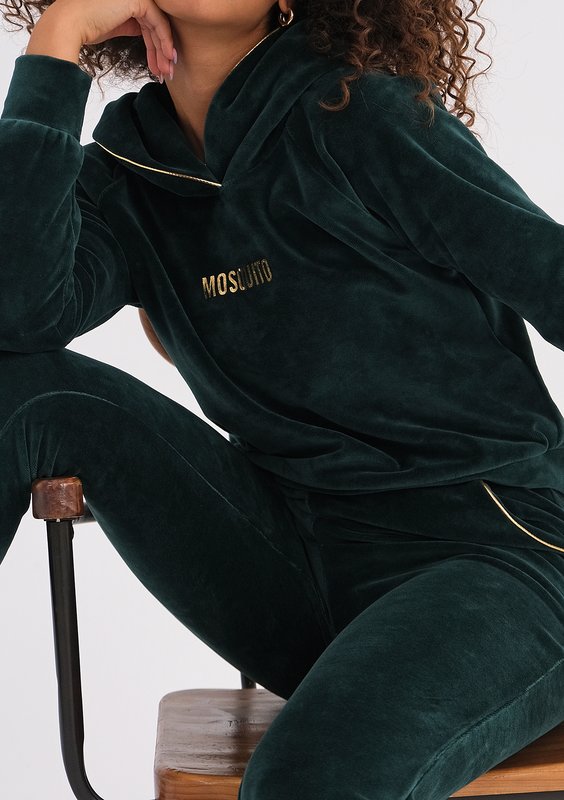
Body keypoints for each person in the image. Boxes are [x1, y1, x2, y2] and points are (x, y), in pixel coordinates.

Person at [2, 0, 564, 798]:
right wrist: (56, 41)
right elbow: (17, 315)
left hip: (492, 559)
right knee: (23, 385)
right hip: (292, 570)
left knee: (309, 778)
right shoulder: (126, 177)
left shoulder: (361, 113)